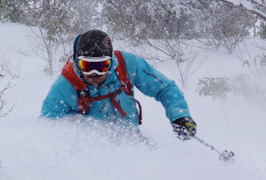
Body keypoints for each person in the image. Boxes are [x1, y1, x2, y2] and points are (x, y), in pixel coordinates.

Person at [40, 30, 197, 139]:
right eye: (87, 66)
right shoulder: (66, 84)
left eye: (101, 66)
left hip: (132, 141)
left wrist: (180, 116)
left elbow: (165, 88)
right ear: (77, 62)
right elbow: (48, 124)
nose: (95, 74)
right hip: (89, 152)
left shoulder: (127, 65)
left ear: (111, 62)